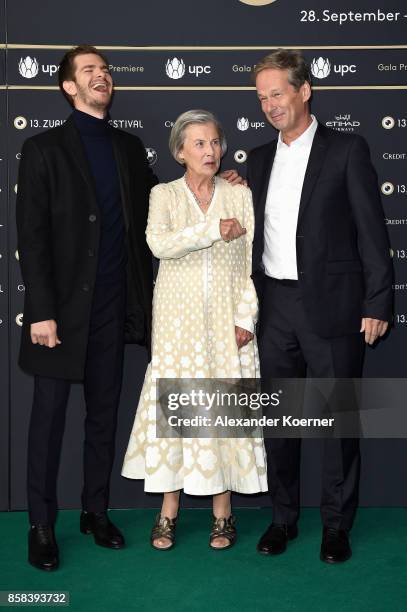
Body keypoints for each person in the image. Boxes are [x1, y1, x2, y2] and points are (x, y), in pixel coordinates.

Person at [17, 46, 243, 571]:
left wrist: (217, 182)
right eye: (89, 71)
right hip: (60, 314)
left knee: (103, 416)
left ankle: (94, 512)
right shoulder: (43, 148)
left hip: (114, 308)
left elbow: (163, 209)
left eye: (105, 70)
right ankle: (41, 522)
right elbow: (33, 235)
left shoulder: (128, 147)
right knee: (48, 420)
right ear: (70, 88)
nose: (102, 76)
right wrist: (42, 311)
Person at [247, 49, 393, 563]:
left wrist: (377, 301)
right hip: (276, 307)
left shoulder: (347, 149)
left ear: (304, 91)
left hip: (334, 306)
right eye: (262, 97)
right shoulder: (258, 159)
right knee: (280, 424)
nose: (270, 104)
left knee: (338, 423)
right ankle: (282, 519)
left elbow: (374, 235)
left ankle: (336, 525)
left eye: (278, 93)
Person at [122, 110, 267, 550]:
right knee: (178, 408)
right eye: (199, 144)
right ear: (180, 151)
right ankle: (168, 512)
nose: (210, 151)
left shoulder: (239, 194)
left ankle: (223, 513)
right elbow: (158, 244)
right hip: (176, 321)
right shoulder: (163, 194)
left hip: (227, 320)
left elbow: (251, 263)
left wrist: (246, 317)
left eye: (215, 142)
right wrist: (210, 229)